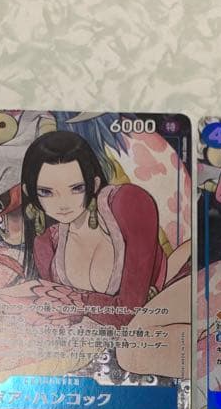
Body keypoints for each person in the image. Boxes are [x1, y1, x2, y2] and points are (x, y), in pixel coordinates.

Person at [20, 130, 169, 328]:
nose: (63, 203)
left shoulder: (129, 203)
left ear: (95, 183)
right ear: (29, 191)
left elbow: (127, 312)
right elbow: (63, 317)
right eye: (46, 192)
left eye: (76, 188)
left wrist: (77, 301)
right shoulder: (46, 244)